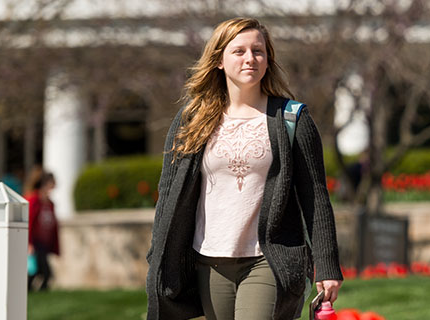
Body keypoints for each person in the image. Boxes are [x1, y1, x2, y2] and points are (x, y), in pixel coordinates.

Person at [145, 18, 343, 320]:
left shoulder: (291, 119)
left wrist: (327, 265)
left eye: (258, 51)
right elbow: (169, 194)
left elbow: (315, 196)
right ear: (219, 60)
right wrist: (159, 258)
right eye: (239, 51)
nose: (250, 58)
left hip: (268, 258)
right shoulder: (192, 120)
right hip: (209, 260)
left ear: (268, 60)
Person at [24, 167, 59, 291]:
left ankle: (31, 292)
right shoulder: (33, 200)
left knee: (42, 273)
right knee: (37, 272)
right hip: (34, 244)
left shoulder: (50, 203)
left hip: (43, 244)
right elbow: (28, 222)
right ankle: (27, 292)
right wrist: (28, 243)